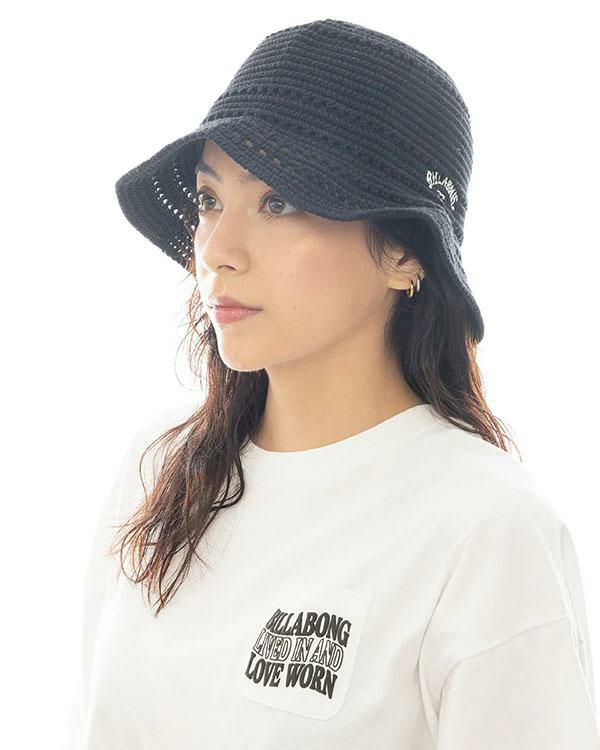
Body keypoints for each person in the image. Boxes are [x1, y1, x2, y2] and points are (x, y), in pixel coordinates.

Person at [66, 18, 600, 749]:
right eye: (210, 199)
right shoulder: (158, 468)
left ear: (405, 256)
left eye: (279, 202)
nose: (218, 250)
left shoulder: (486, 528)